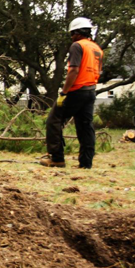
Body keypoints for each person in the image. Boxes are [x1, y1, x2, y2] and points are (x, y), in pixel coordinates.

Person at [41, 17, 103, 169]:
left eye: (72, 34)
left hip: (76, 91)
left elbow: (74, 70)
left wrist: (64, 93)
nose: (71, 37)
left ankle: (57, 158)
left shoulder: (77, 46)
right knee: (85, 127)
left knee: (53, 121)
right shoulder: (97, 49)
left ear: (77, 32)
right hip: (90, 91)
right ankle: (86, 163)